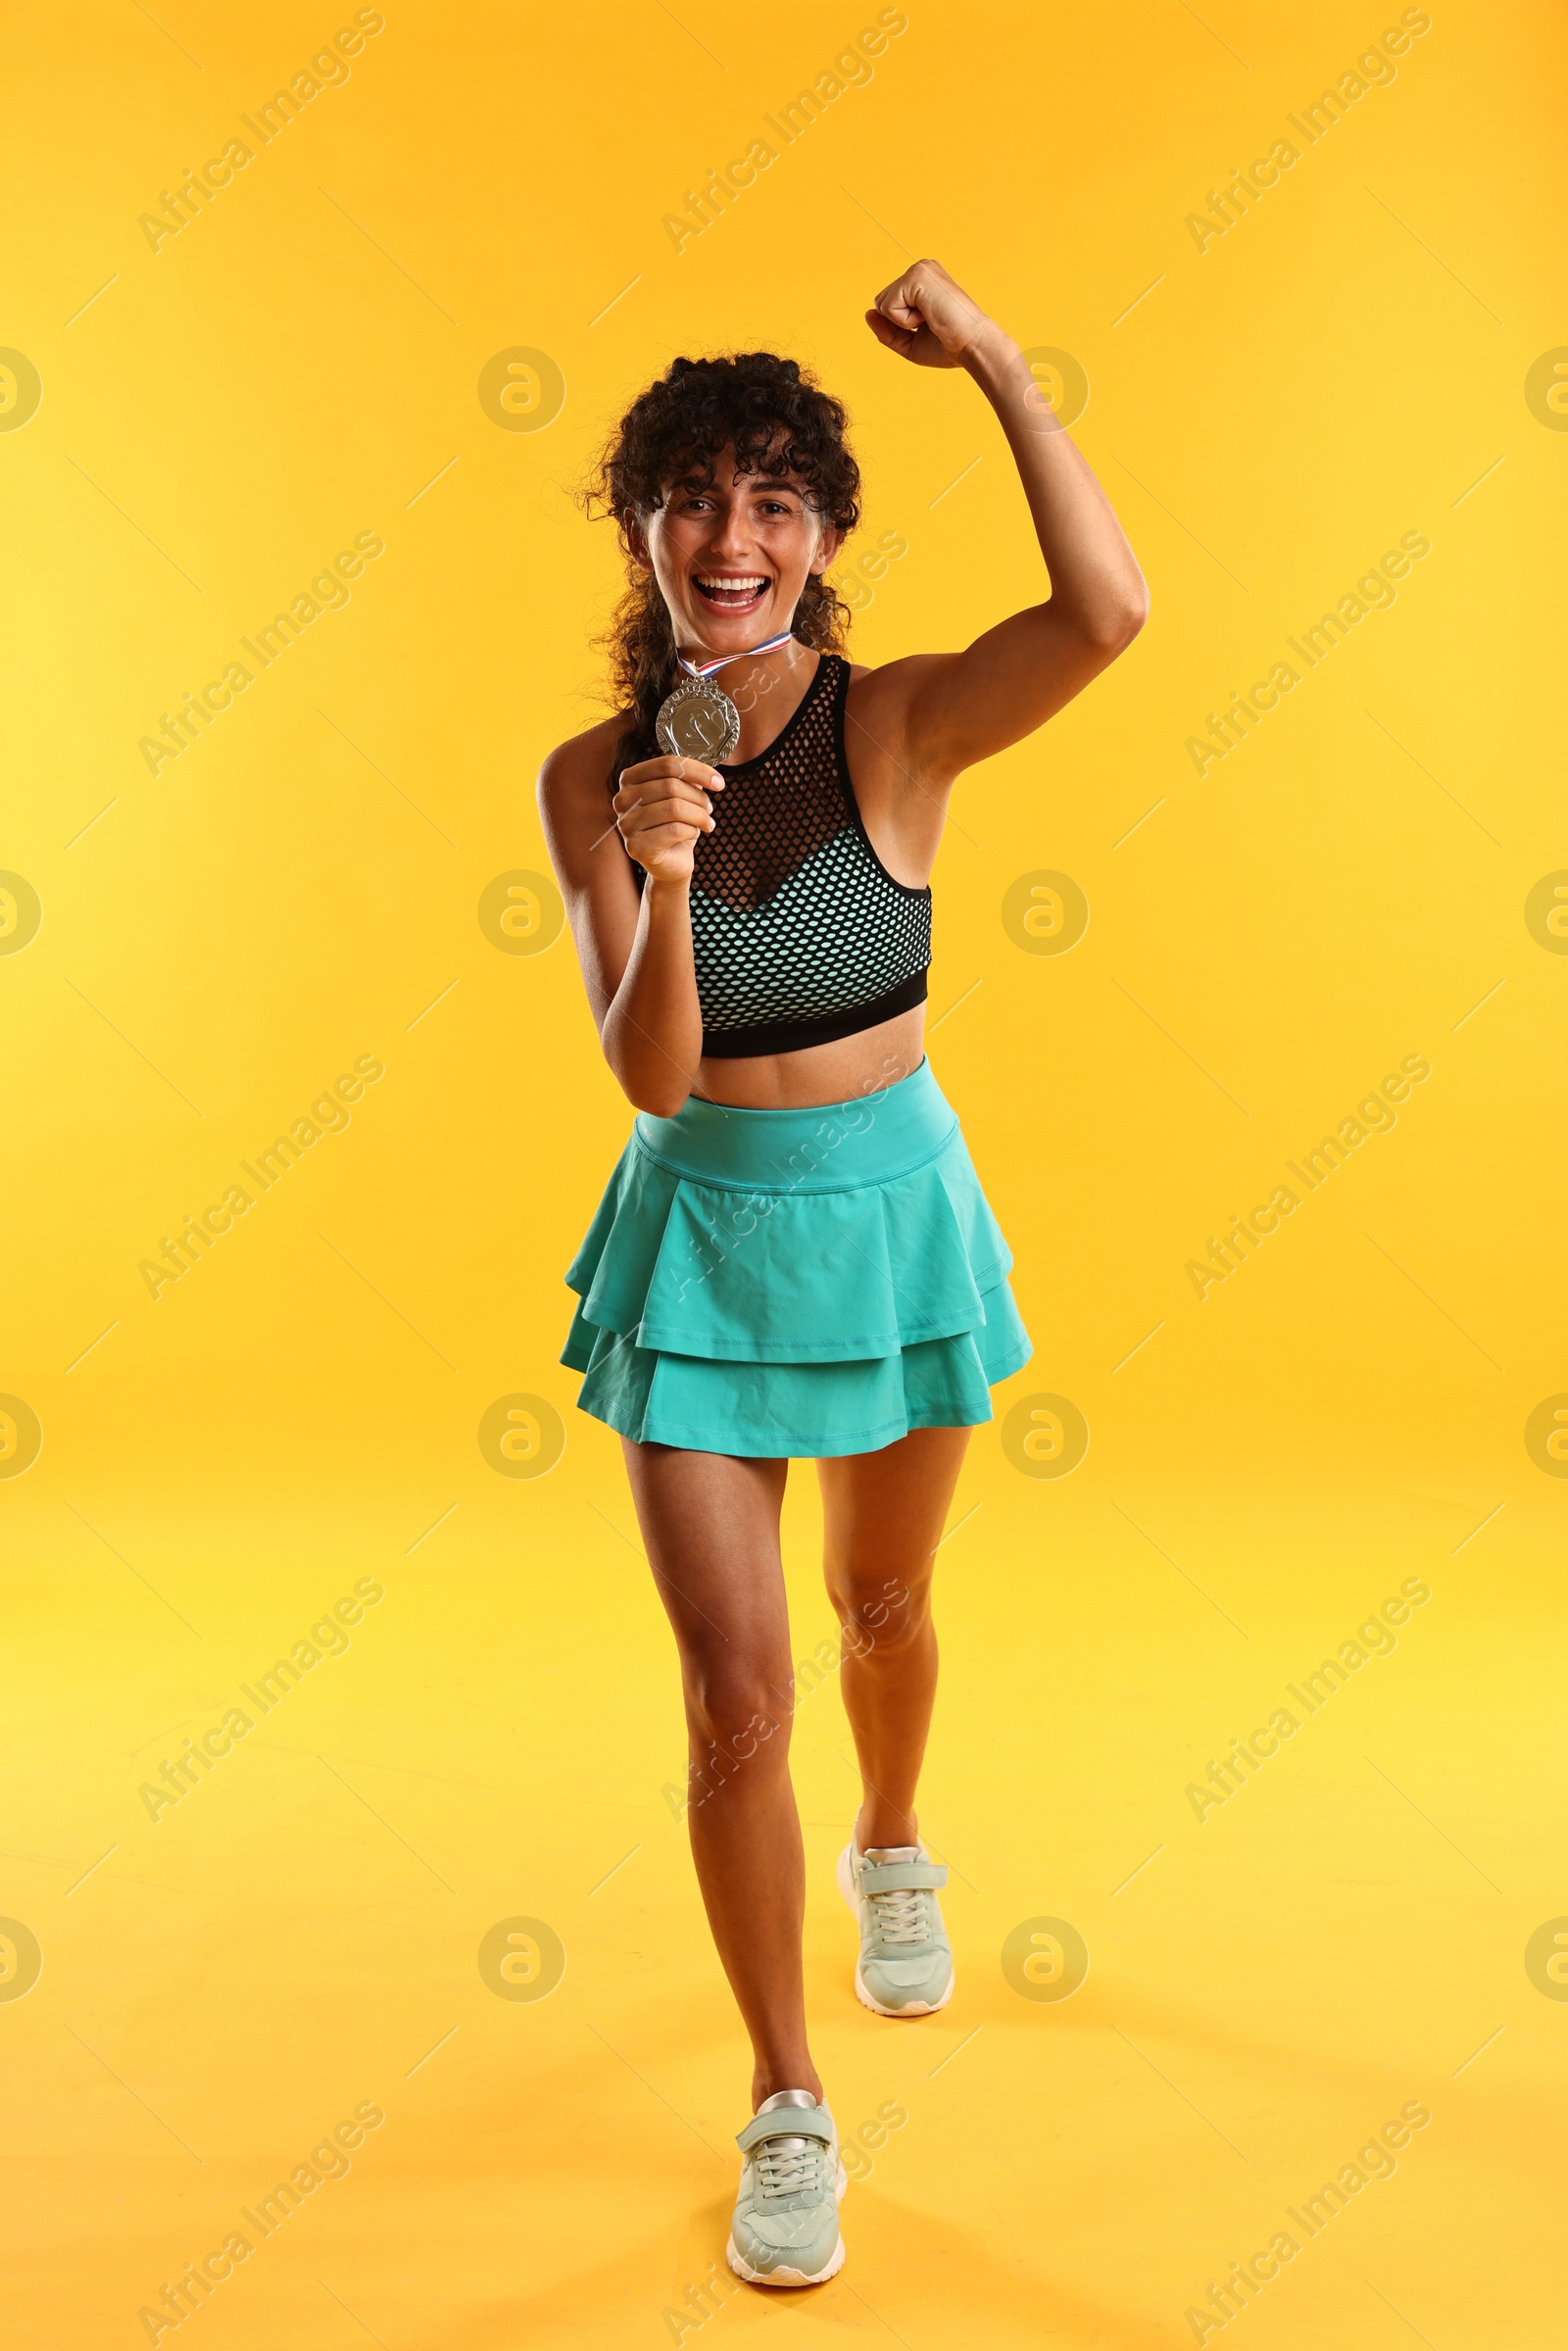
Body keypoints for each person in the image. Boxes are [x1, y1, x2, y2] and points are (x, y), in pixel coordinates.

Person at [538, 259, 1146, 2287]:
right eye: (696, 500)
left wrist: (990, 355)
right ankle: (785, 2101)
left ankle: (892, 1839)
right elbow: (646, 1071)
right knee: (733, 1701)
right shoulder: (587, 778)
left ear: (820, 540)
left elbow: (1107, 616)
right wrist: (665, 861)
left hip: (888, 1216)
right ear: (647, 531)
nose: (733, 538)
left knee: (880, 1602)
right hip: (697, 1229)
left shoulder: (894, 725)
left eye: (776, 501)